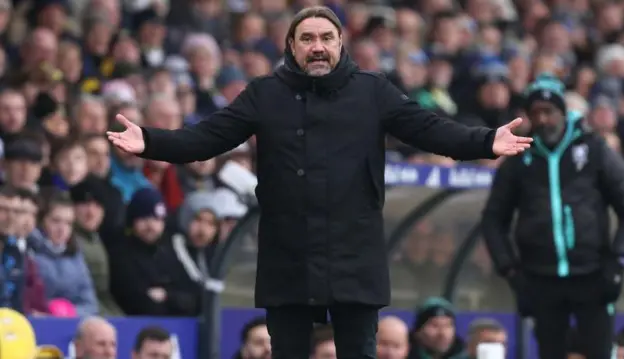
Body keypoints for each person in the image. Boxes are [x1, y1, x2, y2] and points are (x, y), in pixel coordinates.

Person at [107, 6, 531, 359]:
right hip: (286, 255)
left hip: (355, 255)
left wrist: (488, 141)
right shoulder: (264, 94)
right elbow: (204, 139)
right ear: (291, 46)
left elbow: (432, 130)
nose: (318, 47)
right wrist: (148, 141)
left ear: (340, 44)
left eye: (326, 38)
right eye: (307, 38)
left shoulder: (373, 92)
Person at [482, 73, 624, 359]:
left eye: (549, 112)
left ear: (563, 113)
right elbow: (493, 219)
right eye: (535, 113)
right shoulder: (518, 160)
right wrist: (511, 271)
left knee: (599, 351)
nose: (542, 119)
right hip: (540, 278)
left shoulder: (594, 150)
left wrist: (620, 260)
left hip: (593, 274)